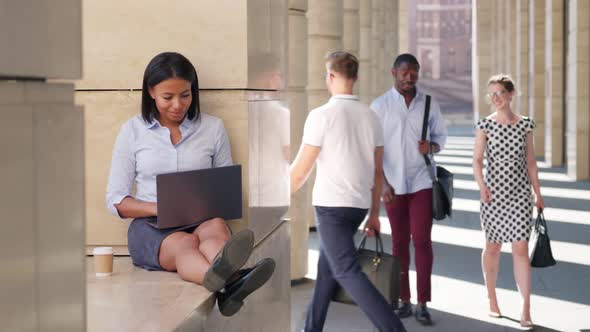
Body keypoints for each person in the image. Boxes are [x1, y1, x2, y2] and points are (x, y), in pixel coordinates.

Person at [105, 51, 275, 317]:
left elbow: (225, 184)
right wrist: (158, 207)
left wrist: (220, 200)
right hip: (153, 227)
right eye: (167, 97)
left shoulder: (213, 128)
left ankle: (224, 279)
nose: (177, 105)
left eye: (185, 95)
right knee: (185, 244)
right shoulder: (132, 131)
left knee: (216, 227)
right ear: (150, 92)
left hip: (202, 220)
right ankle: (232, 282)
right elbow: (116, 199)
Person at [290, 51, 406, 332]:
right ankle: (311, 328)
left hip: (331, 208)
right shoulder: (371, 117)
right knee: (327, 270)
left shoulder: (321, 116)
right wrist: (375, 213)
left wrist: (276, 199)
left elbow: (301, 171)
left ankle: (394, 329)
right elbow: (378, 172)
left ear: (329, 76)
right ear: (356, 77)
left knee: (345, 270)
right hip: (359, 206)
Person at [371, 53, 448, 325]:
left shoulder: (428, 103)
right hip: (392, 185)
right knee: (399, 243)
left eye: (413, 73)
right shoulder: (379, 106)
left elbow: (441, 138)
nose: (409, 77)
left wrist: (432, 147)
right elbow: (372, 149)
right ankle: (403, 299)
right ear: (394, 73)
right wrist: (382, 185)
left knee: (422, 241)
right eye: (404, 72)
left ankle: (423, 303)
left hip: (421, 182)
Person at [473, 74, 543, 329]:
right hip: (493, 196)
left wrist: (538, 192)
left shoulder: (525, 125)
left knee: (520, 249)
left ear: (511, 94)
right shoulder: (485, 125)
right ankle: (492, 297)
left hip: (520, 195)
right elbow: (477, 160)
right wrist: (482, 186)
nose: (495, 98)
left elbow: (531, 162)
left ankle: (526, 308)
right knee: (493, 247)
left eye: (500, 93)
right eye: (491, 94)